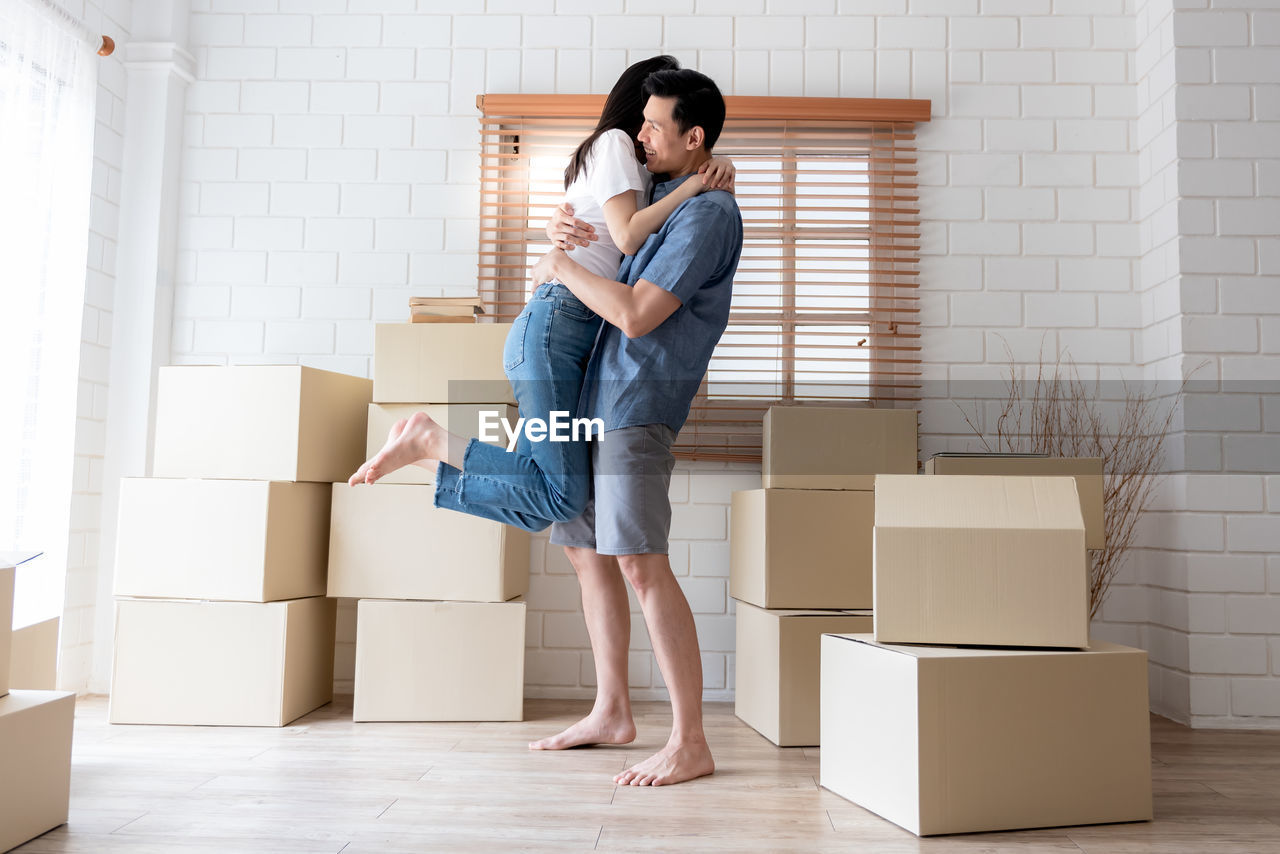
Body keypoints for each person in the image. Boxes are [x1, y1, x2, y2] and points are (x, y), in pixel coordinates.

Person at [348, 55, 733, 536]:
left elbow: (623, 221)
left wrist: (713, 167)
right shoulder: (615, 144)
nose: (644, 135)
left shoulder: (641, 169)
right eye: (646, 121)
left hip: (571, 333)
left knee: (545, 503)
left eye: (655, 126)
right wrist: (697, 182)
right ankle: (429, 440)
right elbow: (629, 237)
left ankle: (428, 453)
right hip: (558, 329)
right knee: (563, 495)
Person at [524, 68, 742, 787]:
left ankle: (690, 740)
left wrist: (558, 264)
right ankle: (612, 710)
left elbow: (636, 314)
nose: (637, 135)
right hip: (598, 399)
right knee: (588, 553)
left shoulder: (708, 215)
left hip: (636, 405)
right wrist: (566, 228)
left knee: (642, 563)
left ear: (695, 137)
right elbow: (612, 235)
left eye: (652, 125)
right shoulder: (669, 200)